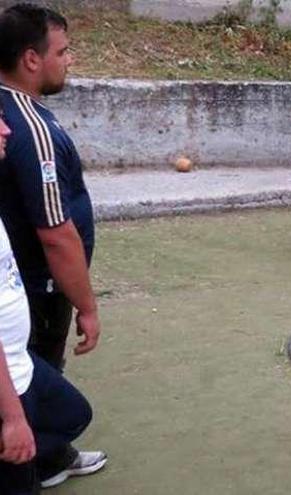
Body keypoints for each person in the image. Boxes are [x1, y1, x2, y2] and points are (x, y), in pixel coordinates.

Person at [0, 4, 106, 488]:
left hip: (21, 284)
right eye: (61, 51)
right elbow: (55, 232)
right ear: (30, 59)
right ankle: (37, 457)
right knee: (38, 373)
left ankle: (48, 452)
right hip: (36, 286)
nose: (70, 60)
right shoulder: (31, 127)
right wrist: (86, 305)